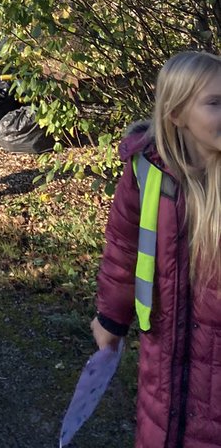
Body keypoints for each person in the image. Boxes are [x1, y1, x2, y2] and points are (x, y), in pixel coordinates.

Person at [93, 50, 221, 448]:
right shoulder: (145, 171)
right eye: (215, 103)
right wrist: (111, 320)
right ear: (176, 114)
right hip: (162, 353)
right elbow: (122, 249)